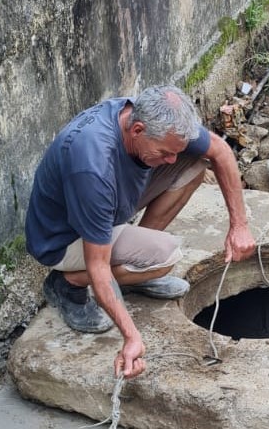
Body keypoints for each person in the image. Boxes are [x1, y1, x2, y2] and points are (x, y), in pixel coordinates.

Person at [25, 85, 256, 378]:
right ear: (137, 130)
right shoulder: (93, 165)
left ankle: (134, 270)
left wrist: (240, 226)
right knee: (165, 256)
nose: (171, 159)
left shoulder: (155, 120)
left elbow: (219, 151)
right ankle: (67, 284)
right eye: (164, 152)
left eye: (174, 151)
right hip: (62, 240)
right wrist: (132, 338)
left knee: (194, 165)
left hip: (107, 211)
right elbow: (97, 264)